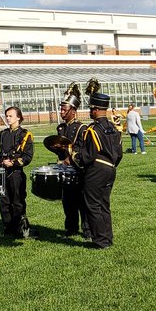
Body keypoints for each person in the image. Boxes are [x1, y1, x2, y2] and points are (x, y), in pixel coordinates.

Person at [70, 89, 124, 248]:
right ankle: (107, 238)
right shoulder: (114, 128)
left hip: (96, 170)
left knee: (93, 205)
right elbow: (119, 154)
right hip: (111, 168)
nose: (90, 111)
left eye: (91, 108)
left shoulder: (92, 130)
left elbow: (87, 156)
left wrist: (72, 155)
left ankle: (100, 240)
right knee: (104, 205)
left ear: (96, 109)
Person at [0, 106, 34, 237]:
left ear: (18, 117)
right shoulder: (3, 134)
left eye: (11, 116)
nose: (8, 118)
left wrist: (14, 163)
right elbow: (2, 154)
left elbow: (27, 157)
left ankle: (20, 229)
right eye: (7, 116)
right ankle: (8, 229)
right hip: (3, 173)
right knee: (4, 201)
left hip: (16, 174)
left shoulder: (25, 135)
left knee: (17, 202)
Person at [55, 87, 90, 237]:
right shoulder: (61, 128)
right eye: (61, 110)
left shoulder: (82, 128)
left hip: (78, 170)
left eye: (64, 110)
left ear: (73, 111)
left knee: (82, 201)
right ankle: (71, 229)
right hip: (65, 170)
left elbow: (83, 149)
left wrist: (71, 158)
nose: (62, 112)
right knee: (68, 201)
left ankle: (88, 230)